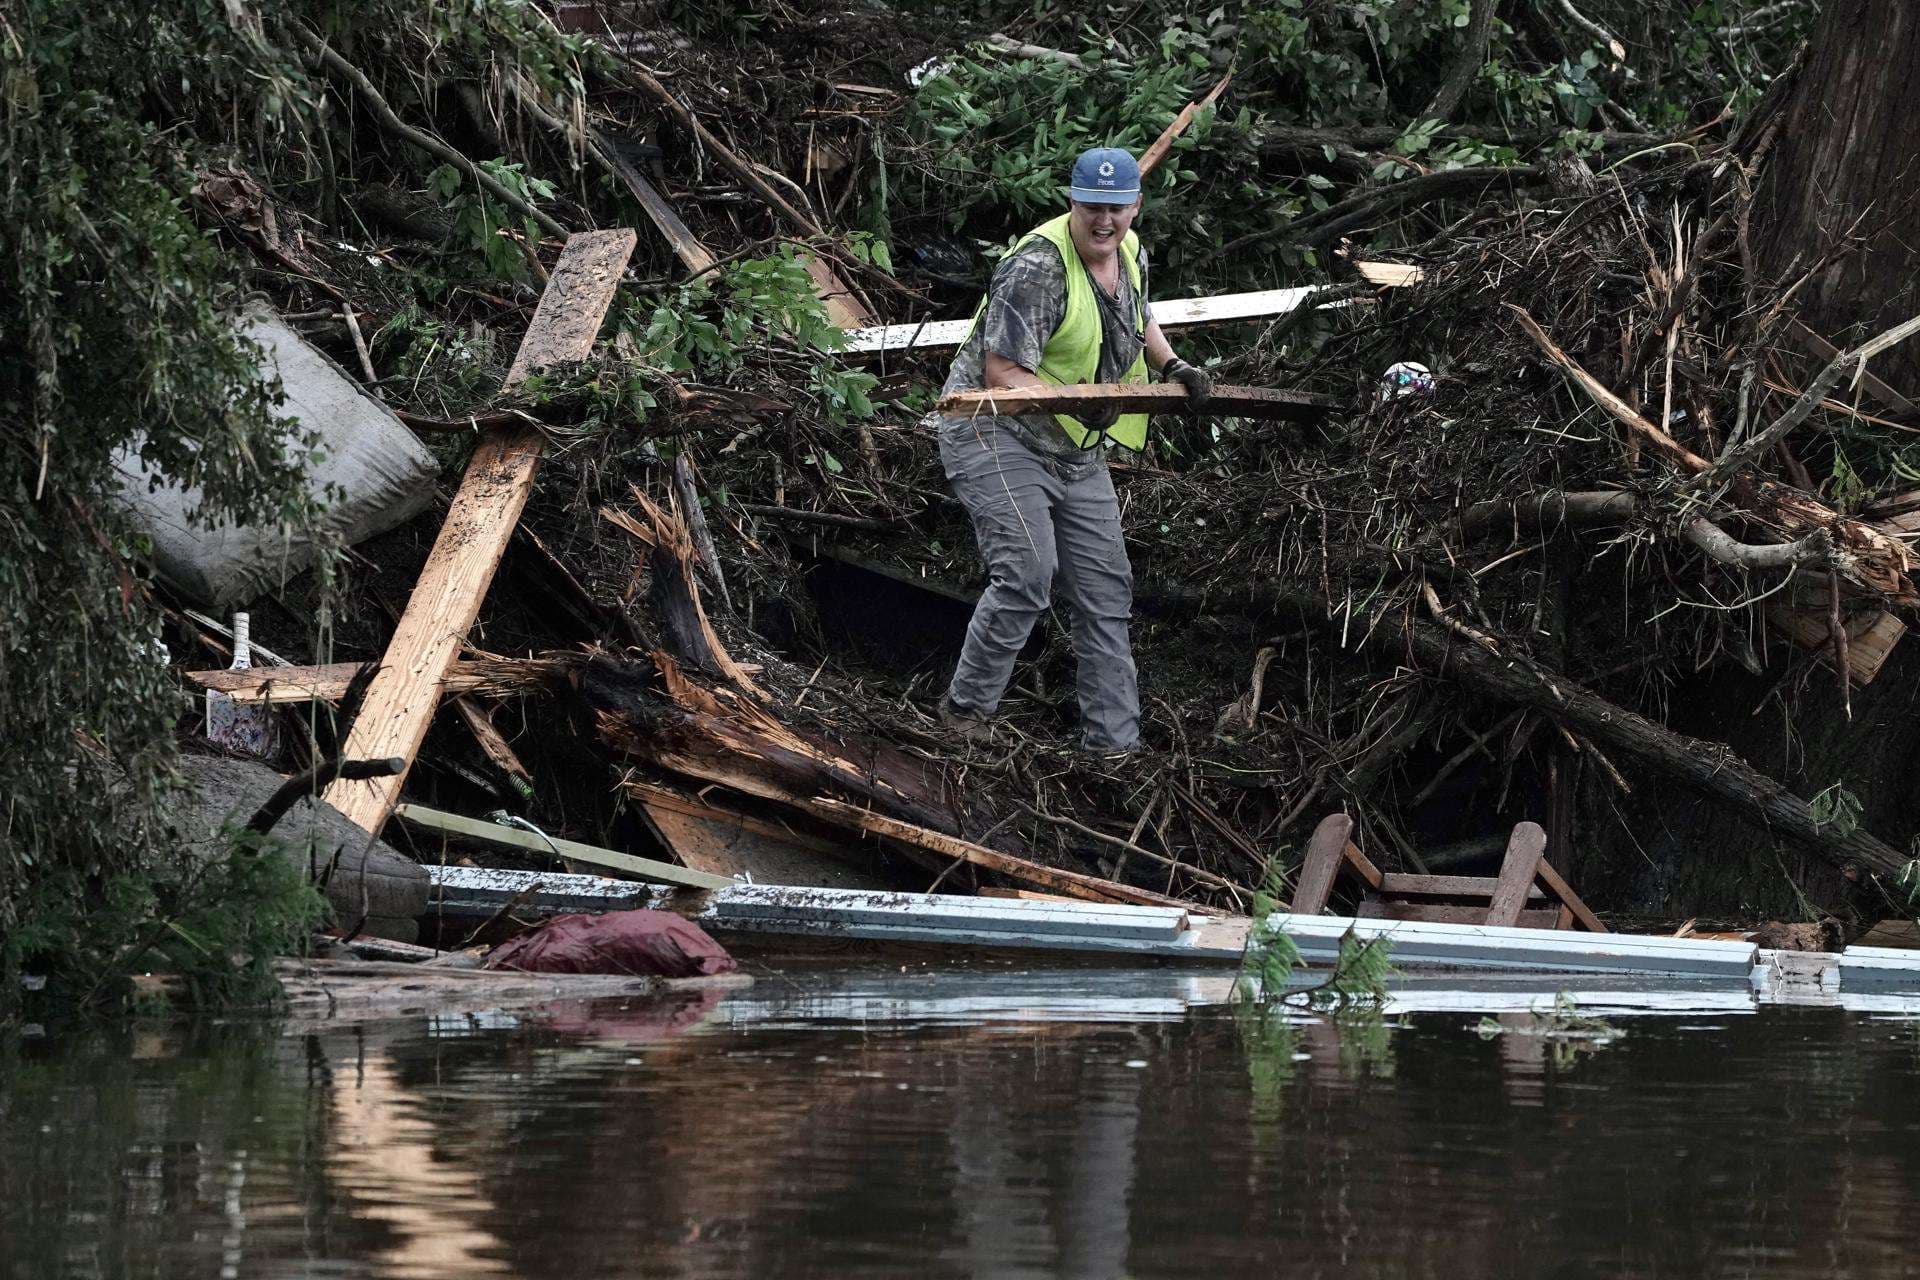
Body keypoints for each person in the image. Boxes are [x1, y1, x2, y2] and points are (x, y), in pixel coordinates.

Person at [930, 146, 1212, 753]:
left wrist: (1173, 364)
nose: (1104, 221)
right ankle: (963, 718)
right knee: (1028, 573)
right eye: (1092, 208)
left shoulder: (1128, 250)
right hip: (994, 429)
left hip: (1073, 445)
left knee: (1106, 592)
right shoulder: (1039, 267)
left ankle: (1113, 749)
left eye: (1117, 208)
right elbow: (1002, 371)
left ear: (1136, 205)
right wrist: (1077, 401)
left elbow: (1138, 317)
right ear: (1072, 202)